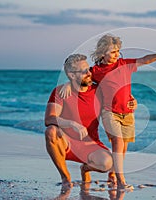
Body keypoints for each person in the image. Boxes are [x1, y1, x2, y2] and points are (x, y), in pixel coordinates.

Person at [60, 34, 156, 189]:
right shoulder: (95, 71)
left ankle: (112, 173)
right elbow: (80, 76)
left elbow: (144, 59)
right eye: (113, 52)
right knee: (118, 141)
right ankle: (121, 179)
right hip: (109, 112)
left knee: (123, 147)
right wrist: (68, 85)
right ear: (103, 53)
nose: (117, 54)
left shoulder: (124, 64)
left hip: (128, 113)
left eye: (118, 51)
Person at [44, 54, 114, 193]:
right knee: (51, 131)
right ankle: (65, 177)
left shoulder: (98, 91)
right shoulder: (60, 92)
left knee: (108, 164)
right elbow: (49, 118)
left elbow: (119, 100)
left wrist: (131, 102)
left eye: (89, 70)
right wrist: (71, 123)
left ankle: (85, 168)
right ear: (71, 75)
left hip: (90, 144)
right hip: (67, 144)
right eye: (84, 72)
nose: (89, 74)